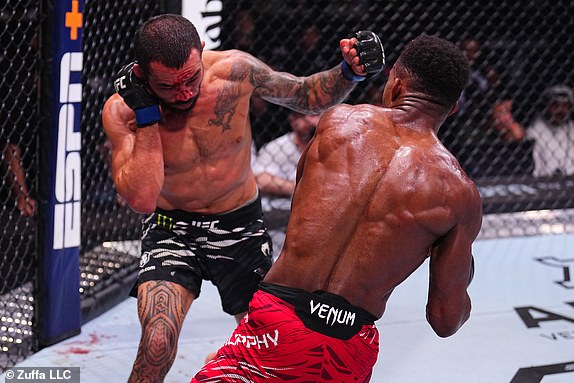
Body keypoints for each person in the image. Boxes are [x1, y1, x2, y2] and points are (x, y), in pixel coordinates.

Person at [101, 14, 384, 383]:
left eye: (191, 78)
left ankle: (224, 361)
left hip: (239, 223)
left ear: (201, 52)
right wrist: (148, 113)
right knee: (157, 342)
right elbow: (142, 198)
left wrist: (350, 72)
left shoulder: (235, 71)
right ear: (142, 76)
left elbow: (306, 95)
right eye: (170, 86)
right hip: (171, 229)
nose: (185, 92)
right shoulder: (122, 111)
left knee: (275, 341)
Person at [192, 33, 482, 383]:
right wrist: (464, 280)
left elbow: (305, 202)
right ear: (452, 108)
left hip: (277, 320)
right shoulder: (459, 193)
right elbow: (445, 320)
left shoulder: (338, 123)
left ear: (396, 85)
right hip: (346, 343)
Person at [254, 112, 320, 256]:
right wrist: (302, 188)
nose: (312, 121)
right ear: (292, 120)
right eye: (305, 116)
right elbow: (261, 180)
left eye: (316, 115)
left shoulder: (325, 148)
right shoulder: (278, 147)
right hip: (279, 217)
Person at [526, 85, 574, 176]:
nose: (560, 110)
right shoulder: (535, 131)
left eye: (565, 106)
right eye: (555, 105)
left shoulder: (572, 128)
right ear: (546, 106)